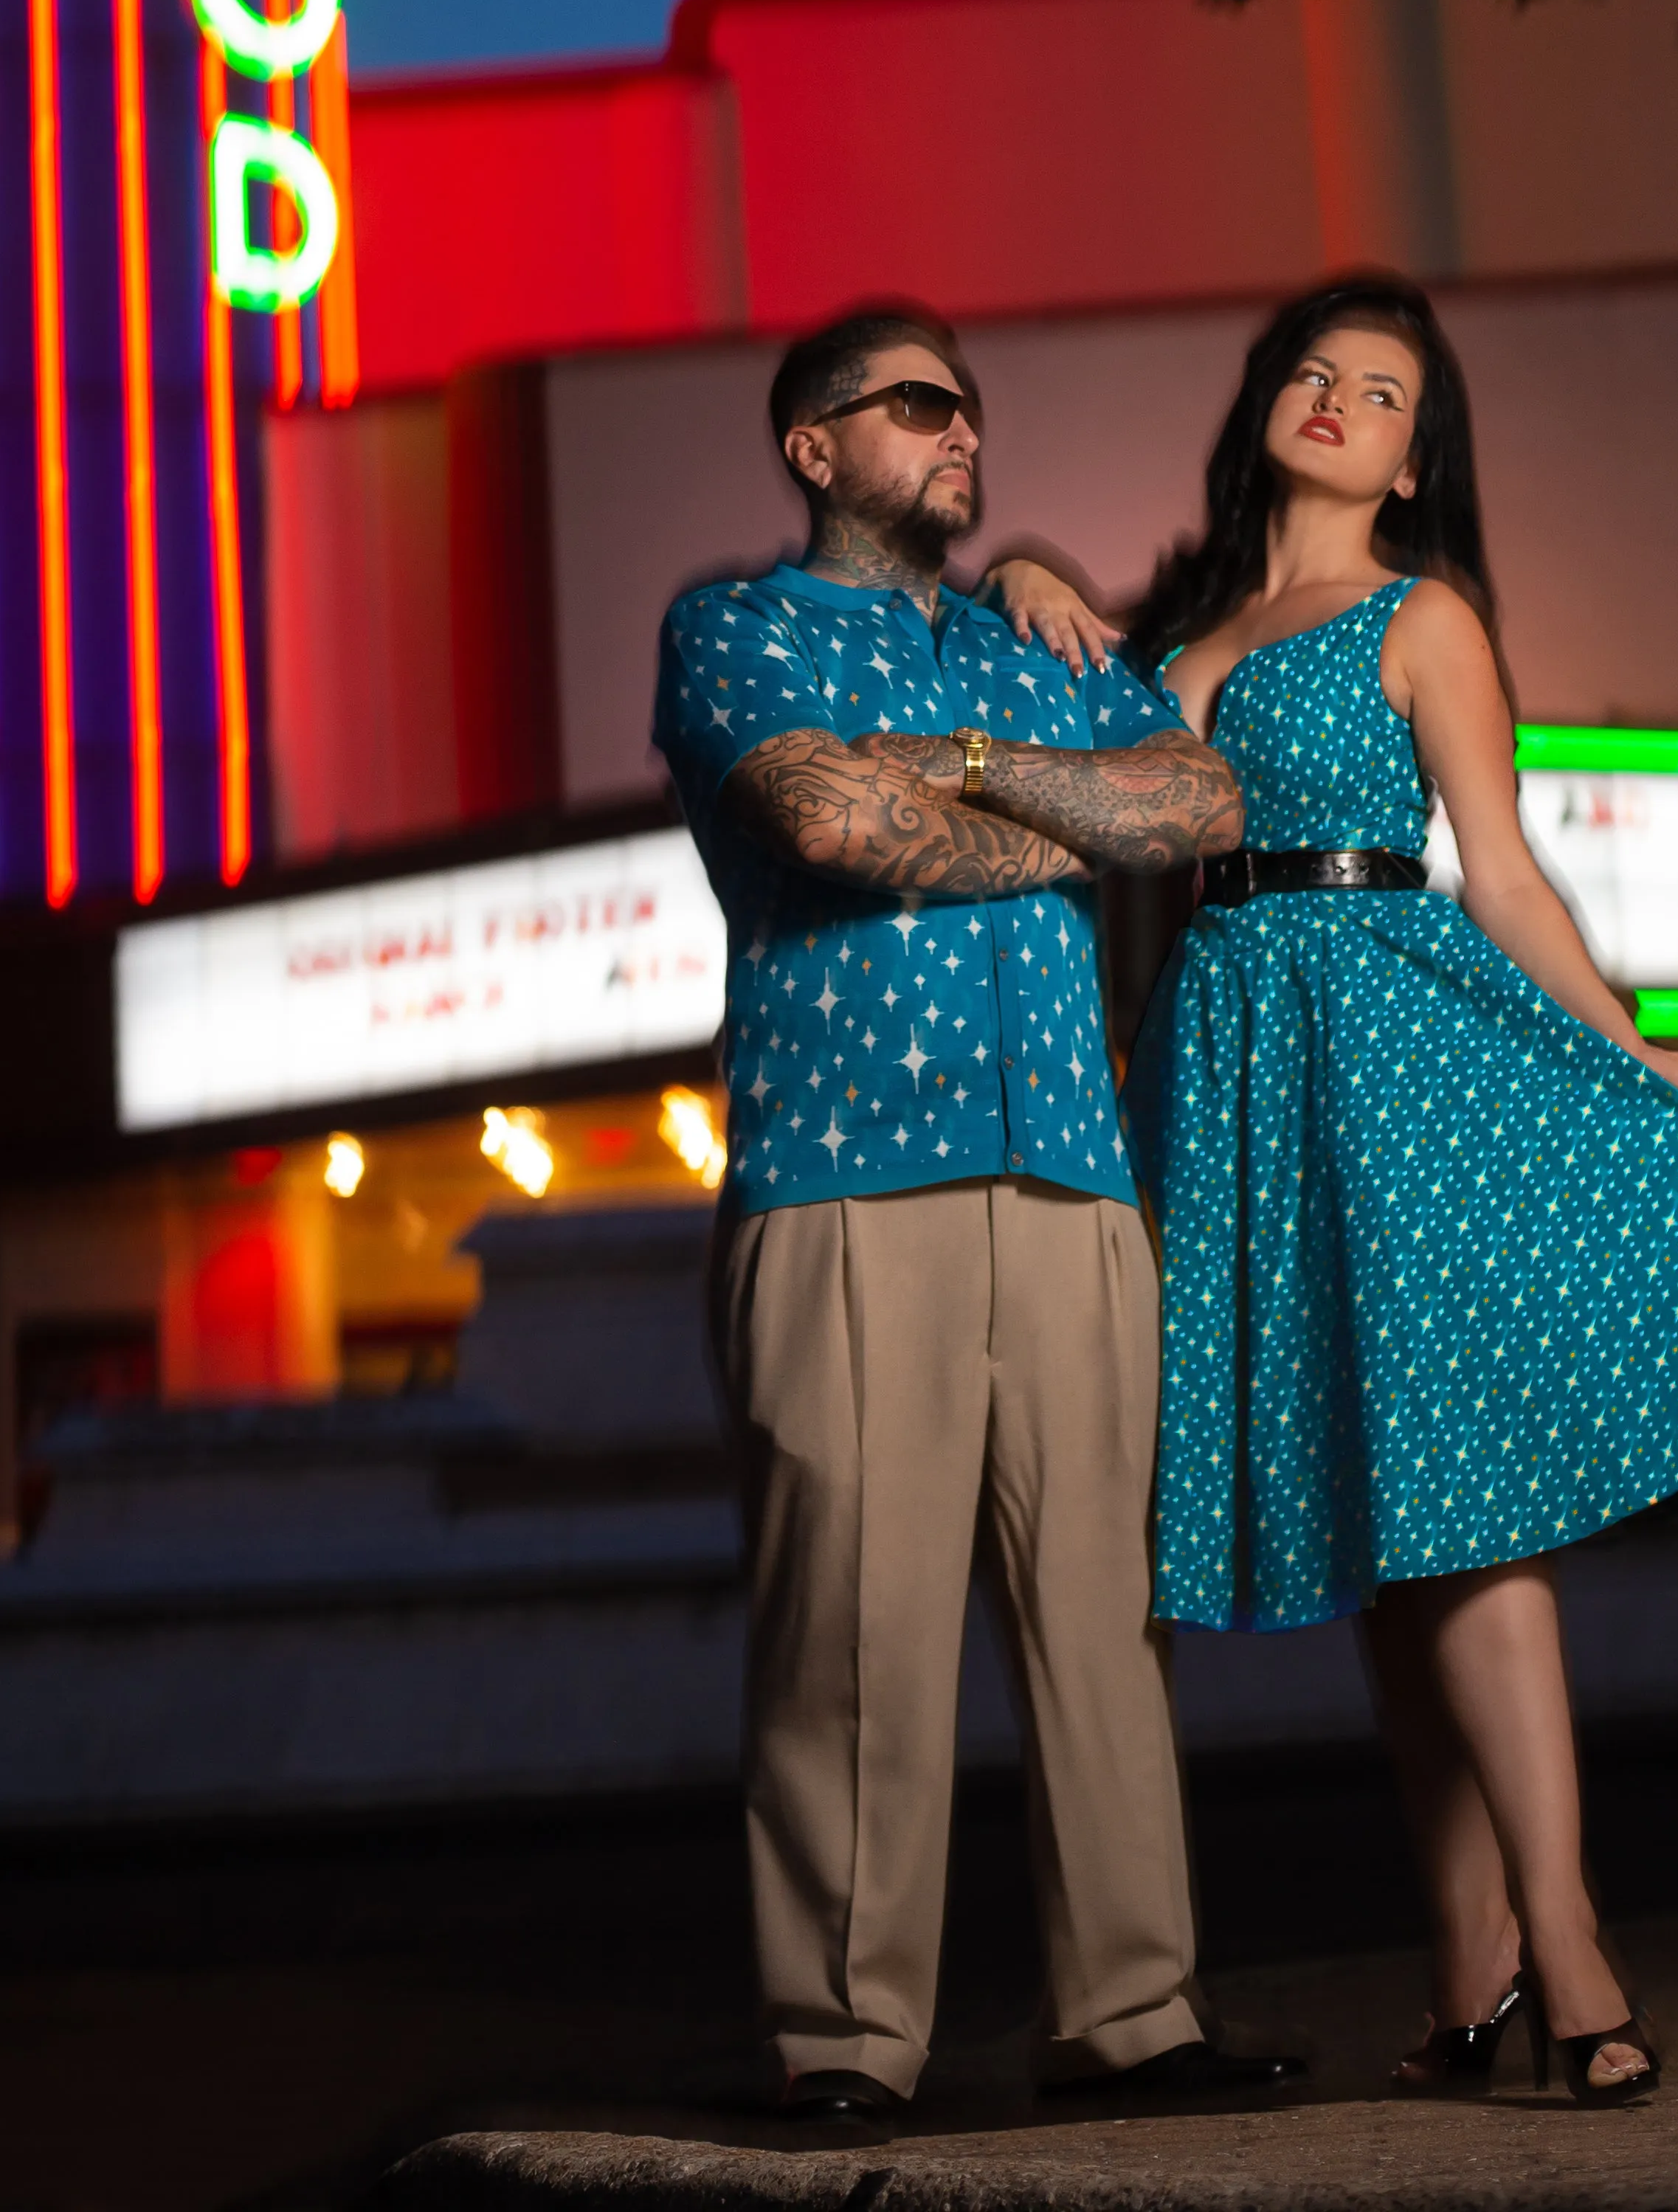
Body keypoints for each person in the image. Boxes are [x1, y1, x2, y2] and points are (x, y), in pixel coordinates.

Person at [990, 276, 1678, 2112]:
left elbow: (1508, 877)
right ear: (1267, 405)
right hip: (1229, 1071)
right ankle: (1470, 1960)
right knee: (1381, 1554)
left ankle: (1566, 1947)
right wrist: (1020, 567)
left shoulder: (1427, 618)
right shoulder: (1183, 636)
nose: (1336, 400)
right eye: (1314, 373)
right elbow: (1067, 748)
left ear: (1416, 461)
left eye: (1381, 392)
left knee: (1460, 1516)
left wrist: (1636, 1057)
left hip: (1401, 1054)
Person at [652, 303, 1288, 2129]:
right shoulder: (736, 626)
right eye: (921, 403)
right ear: (814, 445)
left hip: (1076, 1183)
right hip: (849, 1178)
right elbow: (827, 822)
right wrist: (1056, 817)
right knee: (851, 1623)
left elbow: (1194, 798)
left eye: (972, 410)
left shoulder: (1044, 637)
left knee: (1104, 1617)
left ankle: (1131, 2016)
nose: (962, 432)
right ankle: (848, 2039)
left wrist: (986, 769)